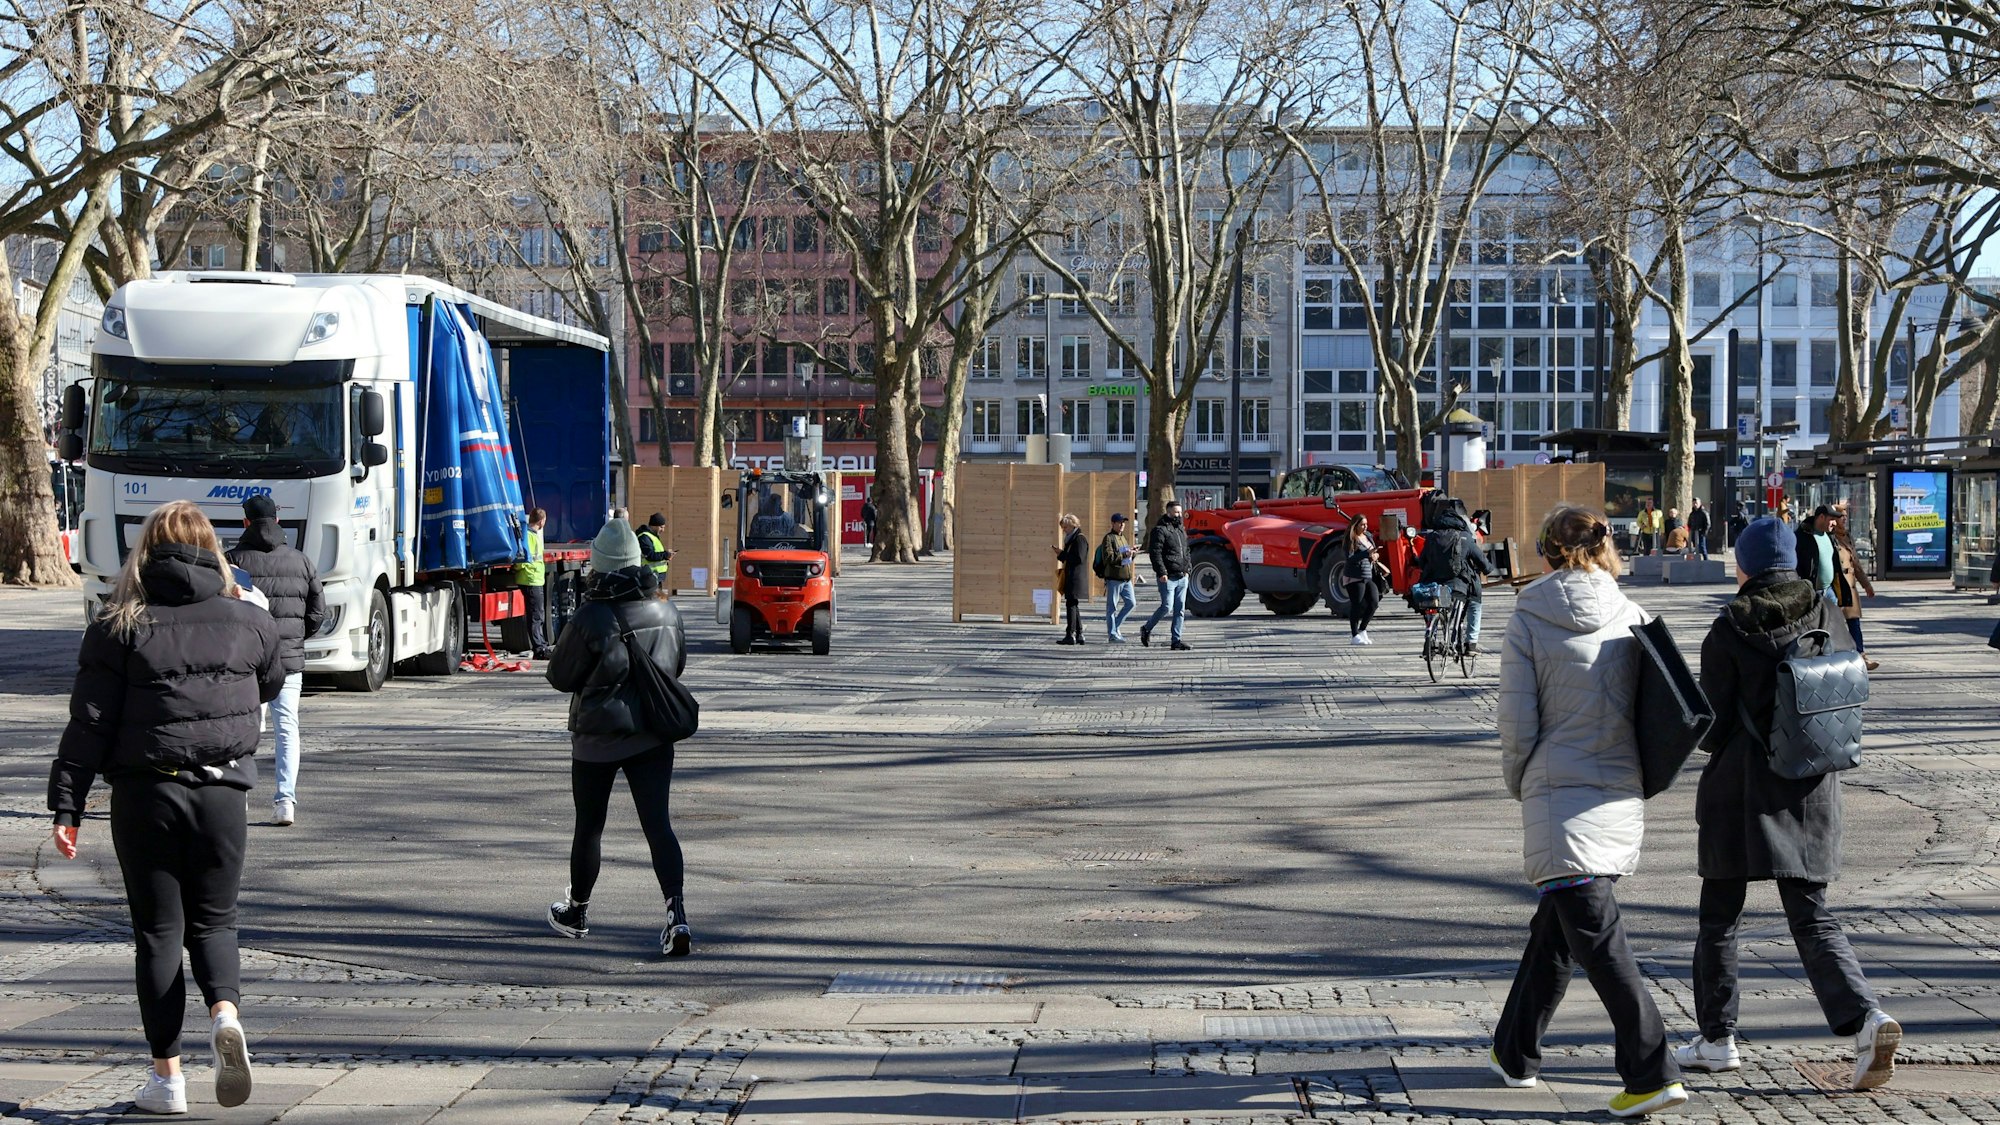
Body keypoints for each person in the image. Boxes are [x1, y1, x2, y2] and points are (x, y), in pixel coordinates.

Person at [50, 500, 283, 1115]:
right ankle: (225, 1014)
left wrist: (67, 805)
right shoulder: (249, 620)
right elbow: (272, 679)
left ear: (145, 551)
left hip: (146, 793)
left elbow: (89, 723)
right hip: (224, 793)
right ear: (211, 548)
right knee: (217, 922)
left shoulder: (117, 623)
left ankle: (167, 1080)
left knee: (158, 934)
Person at [1676, 517, 1900, 1090]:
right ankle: (1864, 1018)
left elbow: (1715, 724)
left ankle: (1717, 1040)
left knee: (1719, 918)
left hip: (1741, 791)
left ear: (1743, 567)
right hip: (1811, 782)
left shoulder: (1729, 629)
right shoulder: (1825, 612)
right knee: (1811, 913)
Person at [1490, 506, 1685, 1118]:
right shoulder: (1636, 615)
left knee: (1598, 938)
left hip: (1559, 788)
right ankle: (1514, 1050)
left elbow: (1517, 723)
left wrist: (1522, 783)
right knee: (1559, 927)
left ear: (1546, 553)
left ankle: (1653, 1072)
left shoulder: (1529, 615)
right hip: (1619, 789)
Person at [545, 518, 694, 957]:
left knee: (589, 828)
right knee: (658, 827)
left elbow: (559, 676)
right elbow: (676, 667)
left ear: (599, 565)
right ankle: (676, 915)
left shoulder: (591, 616)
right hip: (653, 735)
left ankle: (577, 911)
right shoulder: (667, 610)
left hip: (597, 739)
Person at [225, 494, 324, 828]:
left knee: (246, 726)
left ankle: (239, 799)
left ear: (245, 522)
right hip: (288, 659)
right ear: (278, 521)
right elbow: (317, 612)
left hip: (246, 660)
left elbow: (224, 610)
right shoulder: (301, 561)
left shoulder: (233, 562)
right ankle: (285, 801)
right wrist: (295, 639)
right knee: (287, 728)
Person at [1416, 505, 1498, 653]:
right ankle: (1471, 644)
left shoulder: (1431, 537)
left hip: (1433, 584)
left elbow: (1421, 562)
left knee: (1434, 608)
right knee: (1474, 604)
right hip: (1458, 585)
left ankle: (1430, 637)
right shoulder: (1465, 537)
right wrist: (1488, 570)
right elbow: (1482, 561)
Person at [1140, 500, 1192, 651]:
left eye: (1180, 512)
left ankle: (1176, 640)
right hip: (1168, 577)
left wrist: (1188, 569)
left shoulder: (1181, 530)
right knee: (1166, 606)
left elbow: (1186, 551)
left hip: (1182, 576)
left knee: (1180, 609)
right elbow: (1155, 553)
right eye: (1176, 512)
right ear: (1168, 512)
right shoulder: (1160, 530)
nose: (1179, 515)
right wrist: (1161, 572)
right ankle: (1147, 628)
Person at [1829, 510, 1878, 671]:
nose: (1844, 520)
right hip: (1834, 584)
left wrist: (1867, 585)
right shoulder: (1828, 537)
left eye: (1845, 517)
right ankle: (1837, 658)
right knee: (1834, 624)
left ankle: (1861, 656)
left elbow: (1856, 563)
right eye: (1840, 517)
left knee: (1854, 623)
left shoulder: (1847, 537)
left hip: (1849, 585)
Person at [516, 507, 552, 660]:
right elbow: (523, 558)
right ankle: (539, 649)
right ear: (541, 521)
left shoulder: (531, 534)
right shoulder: (529, 536)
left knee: (537, 615)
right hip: (531, 579)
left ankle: (541, 645)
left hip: (533, 578)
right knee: (536, 616)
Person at [1343, 514, 1382, 646]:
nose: (1365, 527)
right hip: (1354, 576)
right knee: (1357, 604)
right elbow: (1349, 558)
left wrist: (1375, 555)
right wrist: (1366, 554)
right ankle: (1354, 635)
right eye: (1362, 525)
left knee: (1374, 602)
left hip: (1368, 575)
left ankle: (1362, 629)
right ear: (1355, 525)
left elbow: (1372, 552)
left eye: (1366, 524)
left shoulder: (1368, 536)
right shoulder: (1350, 539)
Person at [1099, 512, 1137, 642]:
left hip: (1126, 578)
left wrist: (1132, 553)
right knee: (1112, 608)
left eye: (1123, 523)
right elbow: (1108, 558)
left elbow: (1126, 559)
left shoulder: (1123, 538)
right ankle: (1112, 634)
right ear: (1113, 524)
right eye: (1119, 522)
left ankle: (1115, 627)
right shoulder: (1108, 538)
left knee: (1131, 603)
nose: (1122, 525)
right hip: (1114, 578)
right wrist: (1125, 555)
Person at [1054, 513, 1089, 645]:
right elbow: (1070, 557)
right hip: (1072, 576)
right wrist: (1061, 554)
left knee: (1071, 605)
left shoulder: (1079, 539)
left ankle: (1070, 634)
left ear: (1072, 525)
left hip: (1076, 577)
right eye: (1062, 528)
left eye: (1065, 527)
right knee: (1073, 604)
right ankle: (1079, 633)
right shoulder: (1072, 539)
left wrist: (1063, 554)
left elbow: (1079, 558)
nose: (1063, 530)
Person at [1795, 505, 1837, 599]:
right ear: (1821, 517)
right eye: (1832, 519)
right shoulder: (1803, 536)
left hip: (1829, 591)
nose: (1835, 523)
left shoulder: (1830, 535)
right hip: (1812, 594)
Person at [637, 513, 673, 589]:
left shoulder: (652, 536)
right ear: (654, 526)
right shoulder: (645, 537)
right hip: (650, 576)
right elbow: (650, 555)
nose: (663, 530)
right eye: (661, 527)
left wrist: (666, 556)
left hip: (655, 576)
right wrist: (665, 555)